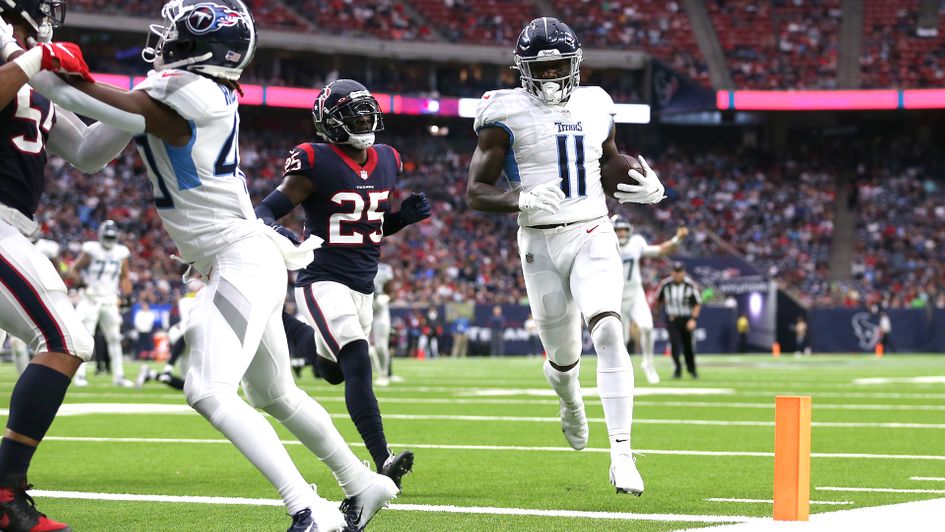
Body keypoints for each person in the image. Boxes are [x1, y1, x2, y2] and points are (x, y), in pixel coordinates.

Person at [33, 2, 397, 529]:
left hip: (238, 257)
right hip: (239, 256)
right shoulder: (173, 93)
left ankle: (307, 507)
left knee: (206, 389)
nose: (164, 40)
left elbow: (82, 94)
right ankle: (362, 484)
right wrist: (36, 84)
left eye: (175, 34)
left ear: (202, 46)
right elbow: (88, 150)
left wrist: (25, 64)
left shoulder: (192, 94)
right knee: (275, 394)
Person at [466, 17, 664, 495]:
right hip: (538, 241)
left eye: (560, 67)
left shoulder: (596, 102)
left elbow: (608, 158)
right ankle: (570, 399)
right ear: (524, 69)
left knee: (611, 330)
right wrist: (521, 199)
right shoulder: (502, 112)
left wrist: (644, 182)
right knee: (563, 357)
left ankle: (621, 453)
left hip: (593, 229)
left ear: (576, 66)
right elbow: (475, 192)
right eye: (543, 68)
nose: (553, 77)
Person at [255, 78, 430, 493]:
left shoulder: (387, 158)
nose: (365, 118)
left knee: (332, 371)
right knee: (357, 360)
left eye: (368, 109)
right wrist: (279, 235)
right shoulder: (314, 159)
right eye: (354, 113)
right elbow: (266, 209)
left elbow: (364, 227)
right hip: (322, 278)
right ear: (331, 123)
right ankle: (382, 459)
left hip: (363, 284)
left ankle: (273, 321)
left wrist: (401, 219)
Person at [0, 3, 129, 529]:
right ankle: (5, 493)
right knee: (66, 340)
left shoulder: (32, 64)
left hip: (14, 226)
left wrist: (138, 110)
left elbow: (89, 152)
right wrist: (35, 58)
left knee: (66, 341)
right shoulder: (24, 55)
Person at [613, 216, 687, 384]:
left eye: (624, 230)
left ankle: (648, 362)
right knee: (621, 340)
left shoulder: (636, 242)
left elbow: (660, 250)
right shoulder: (605, 244)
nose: (621, 233)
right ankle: (621, 372)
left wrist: (678, 239)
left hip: (635, 292)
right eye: (618, 230)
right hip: (616, 296)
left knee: (647, 327)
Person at [67, 220, 133, 387]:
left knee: (114, 338)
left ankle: (119, 376)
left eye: (112, 237)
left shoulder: (121, 252)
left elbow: (124, 276)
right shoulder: (91, 249)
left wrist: (128, 296)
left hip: (110, 299)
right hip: (91, 299)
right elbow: (72, 270)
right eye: (108, 236)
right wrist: (83, 284)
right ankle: (79, 375)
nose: (110, 240)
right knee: (85, 338)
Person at [655, 262, 702, 379]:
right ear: (672, 272)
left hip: (686, 318)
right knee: (674, 345)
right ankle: (677, 369)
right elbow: (658, 300)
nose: (677, 274)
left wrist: (693, 319)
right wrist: (657, 314)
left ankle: (692, 369)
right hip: (672, 319)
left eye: (679, 272)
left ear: (683, 272)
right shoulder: (665, 285)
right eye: (675, 272)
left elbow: (697, 304)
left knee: (688, 346)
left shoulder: (689, 285)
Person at [370, 262, 394, 386]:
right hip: (362, 305)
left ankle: (383, 374)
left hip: (379, 307)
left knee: (381, 345)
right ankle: (369, 373)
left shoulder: (384, 269)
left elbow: (391, 292)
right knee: (364, 346)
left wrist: (385, 298)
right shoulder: (355, 262)